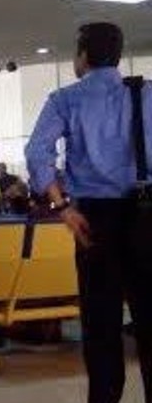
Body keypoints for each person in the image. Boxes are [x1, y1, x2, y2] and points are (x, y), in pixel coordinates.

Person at [25, 22, 152, 403]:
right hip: (147, 215)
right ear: (118, 54)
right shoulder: (145, 94)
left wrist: (61, 206)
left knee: (101, 322)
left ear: (82, 56)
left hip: (93, 220)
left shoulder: (65, 99)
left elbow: (37, 153)